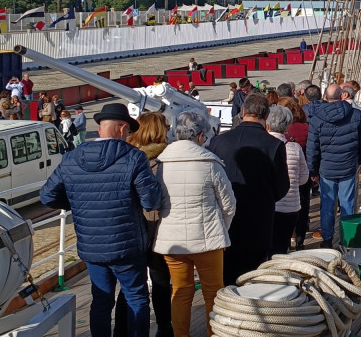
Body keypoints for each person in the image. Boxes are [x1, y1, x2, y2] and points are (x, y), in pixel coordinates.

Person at [40, 103, 161, 337]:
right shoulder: (134, 157)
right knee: (137, 298)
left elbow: (47, 196)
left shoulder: (72, 157)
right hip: (127, 245)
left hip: (91, 246)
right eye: (128, 131)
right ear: (122, 129)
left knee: (101, 301)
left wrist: (77, 204)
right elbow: (150, 202)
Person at [153, 111, 236, 337]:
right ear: (200, 135)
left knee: (180, 292)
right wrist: (222, 229)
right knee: (213, 292)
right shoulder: (210, 163)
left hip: (172, 242)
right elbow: (229, 205)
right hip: (208, 241)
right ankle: (213, 333)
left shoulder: (161, 163)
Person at [208, 93, 290, 284]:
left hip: (224, 220)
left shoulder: (217, 142)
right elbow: (281, 186)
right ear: (267, 115)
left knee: (226, 274)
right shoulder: (274, 145)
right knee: (254, 274)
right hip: (259, 218)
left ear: (243, 112)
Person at [116, 112, 173, 337]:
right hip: (159, 227)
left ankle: (121, 329)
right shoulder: (167, 157)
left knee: (131, 284)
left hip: (131, 229)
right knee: (160, 281)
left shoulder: (128, 157)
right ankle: (164, 327)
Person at [307, 84, 361, 247]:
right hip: (348, 166)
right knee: (347, 205)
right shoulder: (355, 115)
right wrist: (359, 160)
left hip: (326, 168)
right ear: (342, 95)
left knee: (327, 205)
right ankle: (347, 239)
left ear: (326, 98)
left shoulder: (317, 118)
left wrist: (313, 170)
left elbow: (312, 147)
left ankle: (327, 239)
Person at [266, 105, 310, 256]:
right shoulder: (295, 147)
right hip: (290, 205)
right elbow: (304, 178)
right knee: (281, 247)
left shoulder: (262, 144)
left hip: (268, 205)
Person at [280, 97, 313, 250]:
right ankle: (300, 239)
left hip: (288, 169)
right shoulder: (307, 128)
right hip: (304, 169)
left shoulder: (286, 130)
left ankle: (287, 238)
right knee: (304, 205)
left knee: (288, 205)